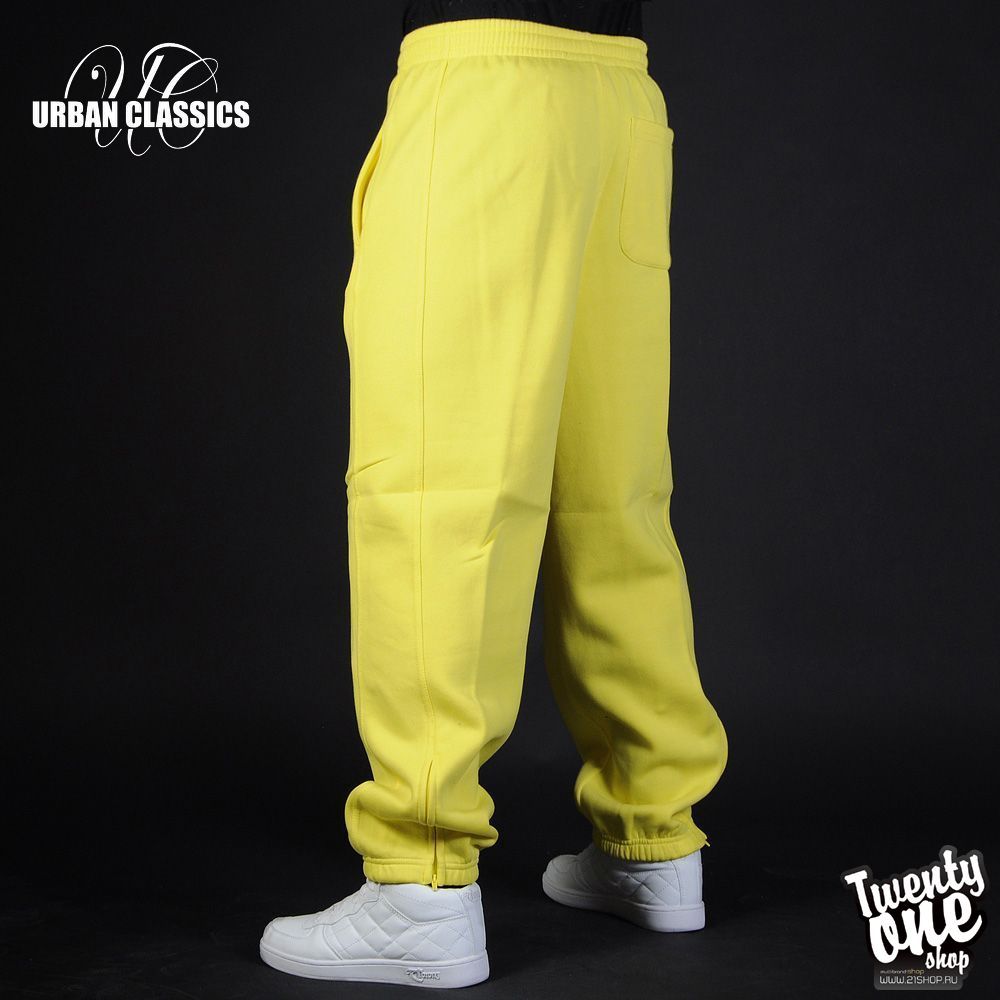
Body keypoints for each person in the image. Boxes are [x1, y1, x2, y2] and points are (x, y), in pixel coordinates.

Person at [259, 0, 728, 987]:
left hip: (484, 82)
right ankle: (652, 839)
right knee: (613, 499)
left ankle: (420, 879)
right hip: (620, 95)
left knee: (440, 489)